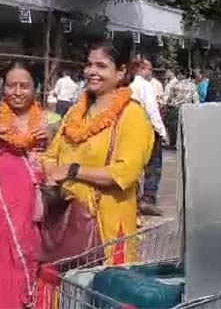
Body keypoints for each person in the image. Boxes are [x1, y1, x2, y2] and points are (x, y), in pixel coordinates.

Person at [43, 41, 154, 263]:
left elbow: (124, 172)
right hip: (67, 222)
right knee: (65, 291)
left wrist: (72, 170)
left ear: (121, 72)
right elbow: (49, 156)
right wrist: (53, 177)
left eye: (101, 66)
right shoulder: (76, 111)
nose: (92, 72)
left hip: (108, 230)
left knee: (103, 292)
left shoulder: (132, 115)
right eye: (89, 65)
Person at [0, 62, 61, 308]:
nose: (17, 92)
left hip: (37, 216)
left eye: (24, 86)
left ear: (36, 88)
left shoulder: (51, 123)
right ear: (2, 88)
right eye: (11, 85)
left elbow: (65, 166)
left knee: (36, 273)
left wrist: (52, 142)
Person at [129, 59, 167, 216]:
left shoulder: (128, 85)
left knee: (134, 164)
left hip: (130, 130)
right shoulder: (145, 86)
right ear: (141, 69)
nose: (150, 72)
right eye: (149, 69)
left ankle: (133, 198)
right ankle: (148, 199)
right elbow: (152, 110)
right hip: (148, 130)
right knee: (153, 165)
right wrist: (162, 132)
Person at [161, 70, 199, 147]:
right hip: (188, 109)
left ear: (181, 75)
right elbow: (196, 100)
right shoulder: (193, 86)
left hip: (176, 109)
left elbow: (169, 98)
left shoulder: (175, 85)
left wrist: (165, 104)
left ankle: (174, 143)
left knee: (174, 126)